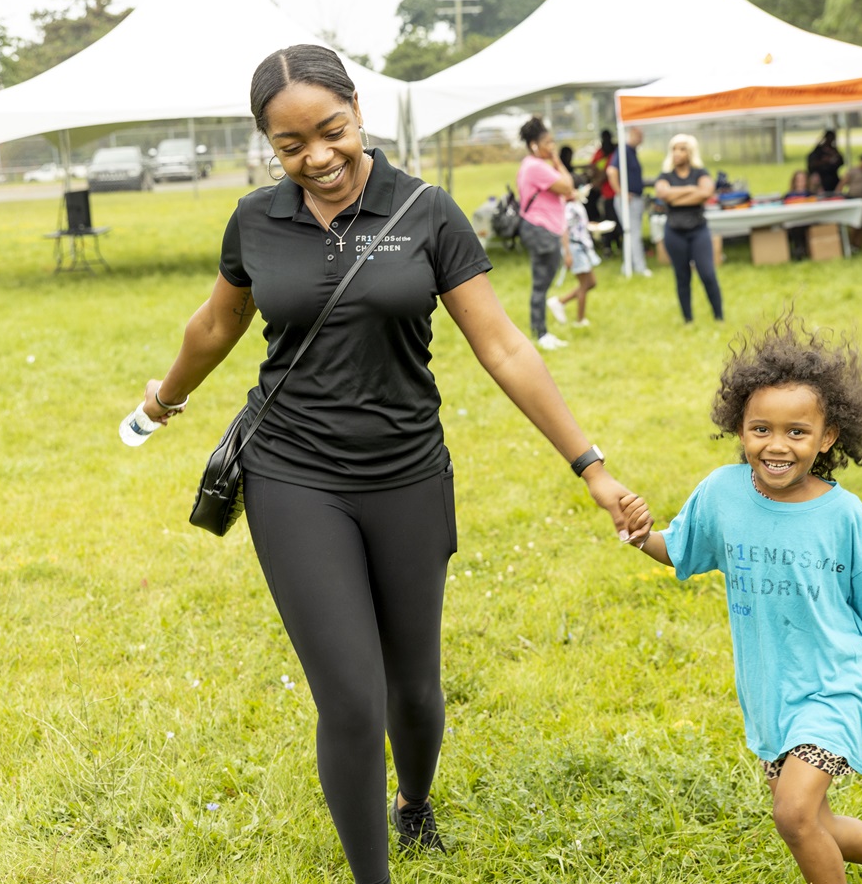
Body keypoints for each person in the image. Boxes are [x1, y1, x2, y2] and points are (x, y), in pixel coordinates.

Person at [130, 44, 647, 884]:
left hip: (407, 472)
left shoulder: (426, 210)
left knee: (412, 687)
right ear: (269, 143)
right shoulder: (257, 220)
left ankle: (415, 801)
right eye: (291, 145)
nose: (318, 158)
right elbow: (218, 324)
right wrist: (166, 399)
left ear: (358, 111)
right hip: (293, 474)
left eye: (330, 132)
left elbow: (505, 346)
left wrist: (589, 463)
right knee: (352, 695)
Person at [618, 312, 862, 884]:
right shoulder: (721, 493)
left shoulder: (843, 516)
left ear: (827, 437)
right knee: (808, 820)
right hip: (772, 690)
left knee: (793, 814)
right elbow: (682, 550)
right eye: (760, 429)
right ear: (740, 428)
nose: (776, 445)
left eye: (797, 432)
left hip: (836, 685)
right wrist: (643, 535)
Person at [517, 116, 577, 349]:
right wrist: (557, 162)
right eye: (548, 143)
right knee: (541, 283)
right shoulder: (536, 167)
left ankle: (540, 331)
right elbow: (568, 187)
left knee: (541, 282)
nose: (553, 147)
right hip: (541, 229)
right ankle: (541, 334)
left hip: (539, 227)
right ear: (535, 145)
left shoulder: (530, 165)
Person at [655, 134, 724, 323]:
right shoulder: (665, 175)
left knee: (707, 273)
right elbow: (662, 194)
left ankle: (719, 316)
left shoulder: (700, 173)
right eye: (674, 149)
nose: (677, 153)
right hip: (674, 231)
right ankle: (688, 319)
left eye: (682, 149)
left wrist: (675, 196)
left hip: (698, 230)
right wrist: (692, 190)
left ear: (690, 152)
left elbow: (707, 192)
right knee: (682, 276)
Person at [548, 183, 601, 327]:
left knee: (591, 283)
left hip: (581, 246)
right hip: (575, 248)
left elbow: (578, 224)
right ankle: (580, 319)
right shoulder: (567, 208)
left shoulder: (574, 205)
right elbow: (563, 230)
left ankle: (560, 302)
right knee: (585, 284)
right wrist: (567, 253)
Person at [607, 125, 650, 277]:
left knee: (630, 233)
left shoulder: (631, 152)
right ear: (631, 135)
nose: (641, 139)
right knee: (633, 232)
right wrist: (621, 192)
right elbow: (611, 171)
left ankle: (628, 265)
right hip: (628, 200)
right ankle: (639, 267)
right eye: (638, 136)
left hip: (635, 198)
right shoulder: (624, 150)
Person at [589, 129, 622, 251]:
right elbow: (592, 167)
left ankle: (614, 245)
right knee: (610, 220)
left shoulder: (615, 152)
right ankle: (610, 246)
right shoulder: (601, 152)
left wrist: (598, 179)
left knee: (613, 220)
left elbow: (606, 172)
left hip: (614, 192)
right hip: (608, 193)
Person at [837, 153, 862, 251]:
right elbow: (842, 183)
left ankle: (858, 245)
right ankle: (850, 243)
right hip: (854, 199)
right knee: (854, 224)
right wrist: (838, 195)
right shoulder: (853, 171)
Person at [806, 130, 844, 194]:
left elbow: (841, 161)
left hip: (833, 177)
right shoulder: (818, 150)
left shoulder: (834, 150)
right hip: (821, 178)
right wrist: (825, 161)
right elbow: (812, 163)